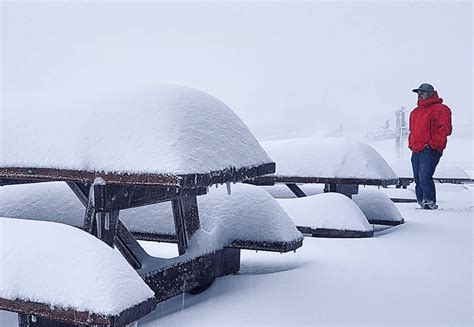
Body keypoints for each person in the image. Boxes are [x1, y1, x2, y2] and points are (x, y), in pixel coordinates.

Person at [408, 83, 452, 210]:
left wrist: (433, 145)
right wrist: (411, 144)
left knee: (424, 176)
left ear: (431, 93)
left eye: (423, 92)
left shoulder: (441, 109)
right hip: (416, 149)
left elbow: (445, 129)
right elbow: (412, 131)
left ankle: (430, 202)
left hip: (430, 149)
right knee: (417, 178)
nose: (419, 94)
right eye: (418, 92)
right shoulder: (415, 112)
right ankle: (422, 202)